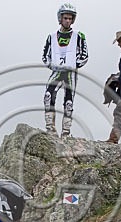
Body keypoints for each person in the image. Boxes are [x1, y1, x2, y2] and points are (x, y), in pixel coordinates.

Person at [42, 3, 88, 137]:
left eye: (70, 18)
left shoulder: (79, 36)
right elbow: (45, 55)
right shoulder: (51, 36)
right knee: (48, 96)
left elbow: (84, 55)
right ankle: (50, 128)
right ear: (60, 18)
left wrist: (73, 64)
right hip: (56, 72)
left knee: (68, 102)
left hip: (70, 73)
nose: (68, 21)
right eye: (65, 18)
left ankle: (66, 132)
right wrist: (52, 65)